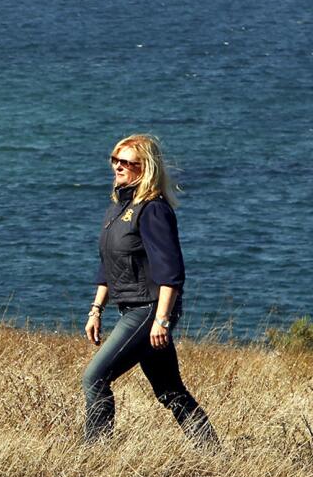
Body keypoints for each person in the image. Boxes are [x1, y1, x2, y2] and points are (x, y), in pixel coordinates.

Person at [82, 134, 217, 447]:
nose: (118, 166)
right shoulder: (119, 206)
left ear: (145, 168)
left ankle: (94, 455)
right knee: (170, 390)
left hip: (149, 310)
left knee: (94, 378)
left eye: (126, 162)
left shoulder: (153, 210)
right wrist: (96, 309)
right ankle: (215, 455)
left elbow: (171, 271)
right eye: (115, 160)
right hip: (131, 308)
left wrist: (162, 319)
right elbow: (108, 264)